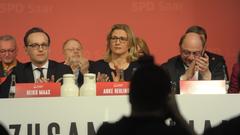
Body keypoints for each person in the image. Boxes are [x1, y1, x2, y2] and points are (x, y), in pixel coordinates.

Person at [96, 56, 195, 135]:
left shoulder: (107, 132)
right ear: (167, 100)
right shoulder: (175, 133)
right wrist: (177, 116)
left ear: (130, 97)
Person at [0, 27, 73, 98]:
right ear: (26, 50)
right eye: (35, 45)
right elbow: (2, 94)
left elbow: (73, 97)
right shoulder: (18, 72)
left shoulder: (64, 70)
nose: (40, 49)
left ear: (49, 48)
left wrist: (52, 90)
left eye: (44, 45)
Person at [161, 32, 227, 94]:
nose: (191, 58)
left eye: (196, 53)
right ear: (180, 49)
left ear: (203, 50)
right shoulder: (168, 68)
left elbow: (220, 96)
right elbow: (166, 96)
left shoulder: (215, 65)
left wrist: (207, 77)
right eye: (186, 52)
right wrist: (184, 78)